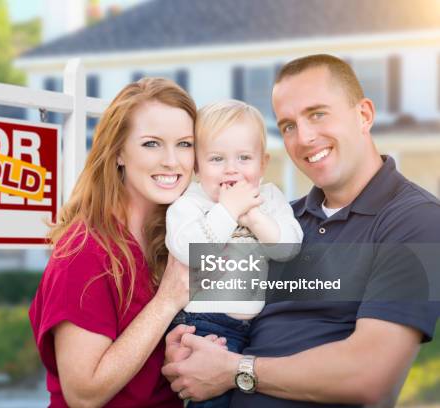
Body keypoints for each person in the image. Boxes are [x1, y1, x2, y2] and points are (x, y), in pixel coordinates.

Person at [162, 54, 440, 407]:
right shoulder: (281, 221)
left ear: (364, 115)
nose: (305, 137)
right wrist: (189, 347)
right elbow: (212, 296)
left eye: (318, 114)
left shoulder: (416, 219)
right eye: (289, 125)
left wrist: (235, 369)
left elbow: (371, 376)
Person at [29, 77, 208, 407]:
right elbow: (83, 394)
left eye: (184, 144)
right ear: (118, 153)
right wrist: (166, 302)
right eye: (152, 143)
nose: (172, 161)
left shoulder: (178, 237)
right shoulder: (84, 251)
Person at [164, 100, 303, 407]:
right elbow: (188, 250)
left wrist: (253, 217)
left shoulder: (268, 198)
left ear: (262, 164)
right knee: (210, 400)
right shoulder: (190, 203)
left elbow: (289, 248)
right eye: (216, 158)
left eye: (244, 157)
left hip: (256, 327)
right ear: (197, 166)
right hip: (203, 324)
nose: (231, 168)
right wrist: (228, 210)